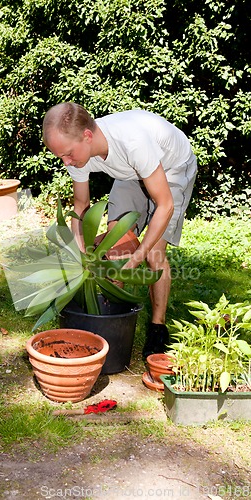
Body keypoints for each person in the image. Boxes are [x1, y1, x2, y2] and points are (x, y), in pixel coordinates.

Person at [42, 102, 197, 358]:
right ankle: (114, 311)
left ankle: (158, 327)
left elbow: (165, 204)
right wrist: (81, 254)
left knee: (153, 253)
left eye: (68, 154)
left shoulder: (133, 141)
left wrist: (138, 255)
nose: (66, 161)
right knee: (117, 244)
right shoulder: (74, 153)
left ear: (87, 136)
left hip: (173, 167)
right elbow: (81, 206)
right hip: (130, 173)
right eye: (61, 157)